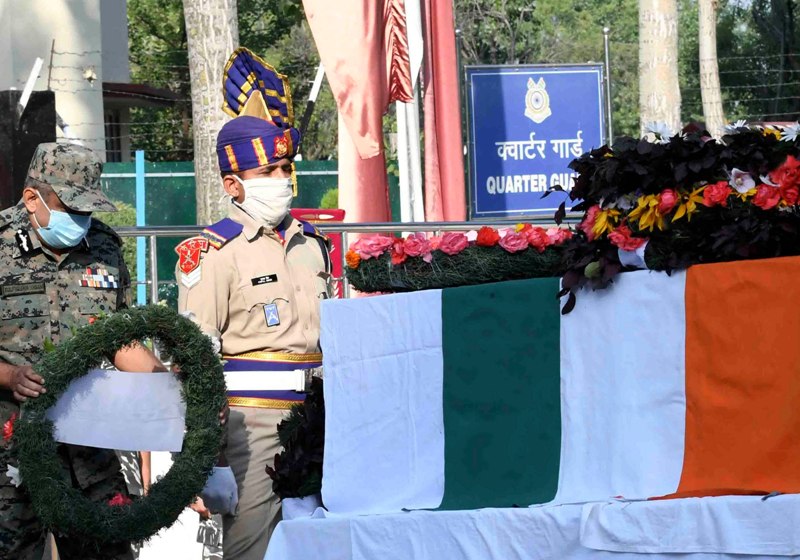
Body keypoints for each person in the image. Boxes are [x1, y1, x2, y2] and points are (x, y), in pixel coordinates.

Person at [177, 47, 331, 560]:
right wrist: (201, 456)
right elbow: (194, 358)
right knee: (253, 551)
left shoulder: (311, 242)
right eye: (271, 169)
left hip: (323, 414)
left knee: (325, 544)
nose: (284, 178)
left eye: (287, 166)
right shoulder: (213, 252)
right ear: (232, 184)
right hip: (251, 427)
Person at [0, 142, 166, 560]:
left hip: (89, 443)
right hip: (12, 448)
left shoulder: (105, 247)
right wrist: (9, 376)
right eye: (70, 208)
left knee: (107, 550)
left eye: (87, 210)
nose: (80, 220)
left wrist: (167, 384)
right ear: (31, 198)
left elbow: (120, 339)